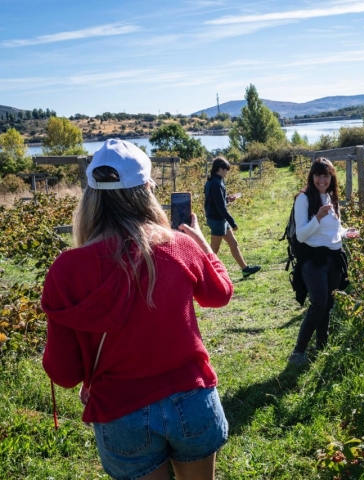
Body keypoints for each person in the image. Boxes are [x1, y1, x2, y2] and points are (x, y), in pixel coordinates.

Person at [42, 139, 234, 480]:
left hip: (120, 413)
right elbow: (219, 294)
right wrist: (203, 244)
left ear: (90, 197)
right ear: (147, 191)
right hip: (192, 399)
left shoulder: (66, 270)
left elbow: (64, 373)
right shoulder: (179, 245)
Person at [288, 158, 359, 366]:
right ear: (312, 177)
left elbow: (336, 230)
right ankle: (298, 352)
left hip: (334, 258)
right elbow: (301, 234)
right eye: (318, 175)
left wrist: (348, 232)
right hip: (313, 258)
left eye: (326, 175)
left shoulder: (331, 197)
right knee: (318, 303)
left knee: (328, 304)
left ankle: (322, 346)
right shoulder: (304, 199)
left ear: (331, 177)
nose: (322, 179)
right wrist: (317, 217)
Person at [204, 157, 261, 278]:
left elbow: (216, 201)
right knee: (213, 250)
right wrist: (233, 222)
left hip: (219, 219)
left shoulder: (214, 181)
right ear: (220, 169)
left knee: (233, 244)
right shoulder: (216, 183)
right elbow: (220, 208)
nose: (227, 173)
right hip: (217, 219)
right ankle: (204, 274)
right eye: (226, 170)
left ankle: (245, 269)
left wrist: (227, 199)